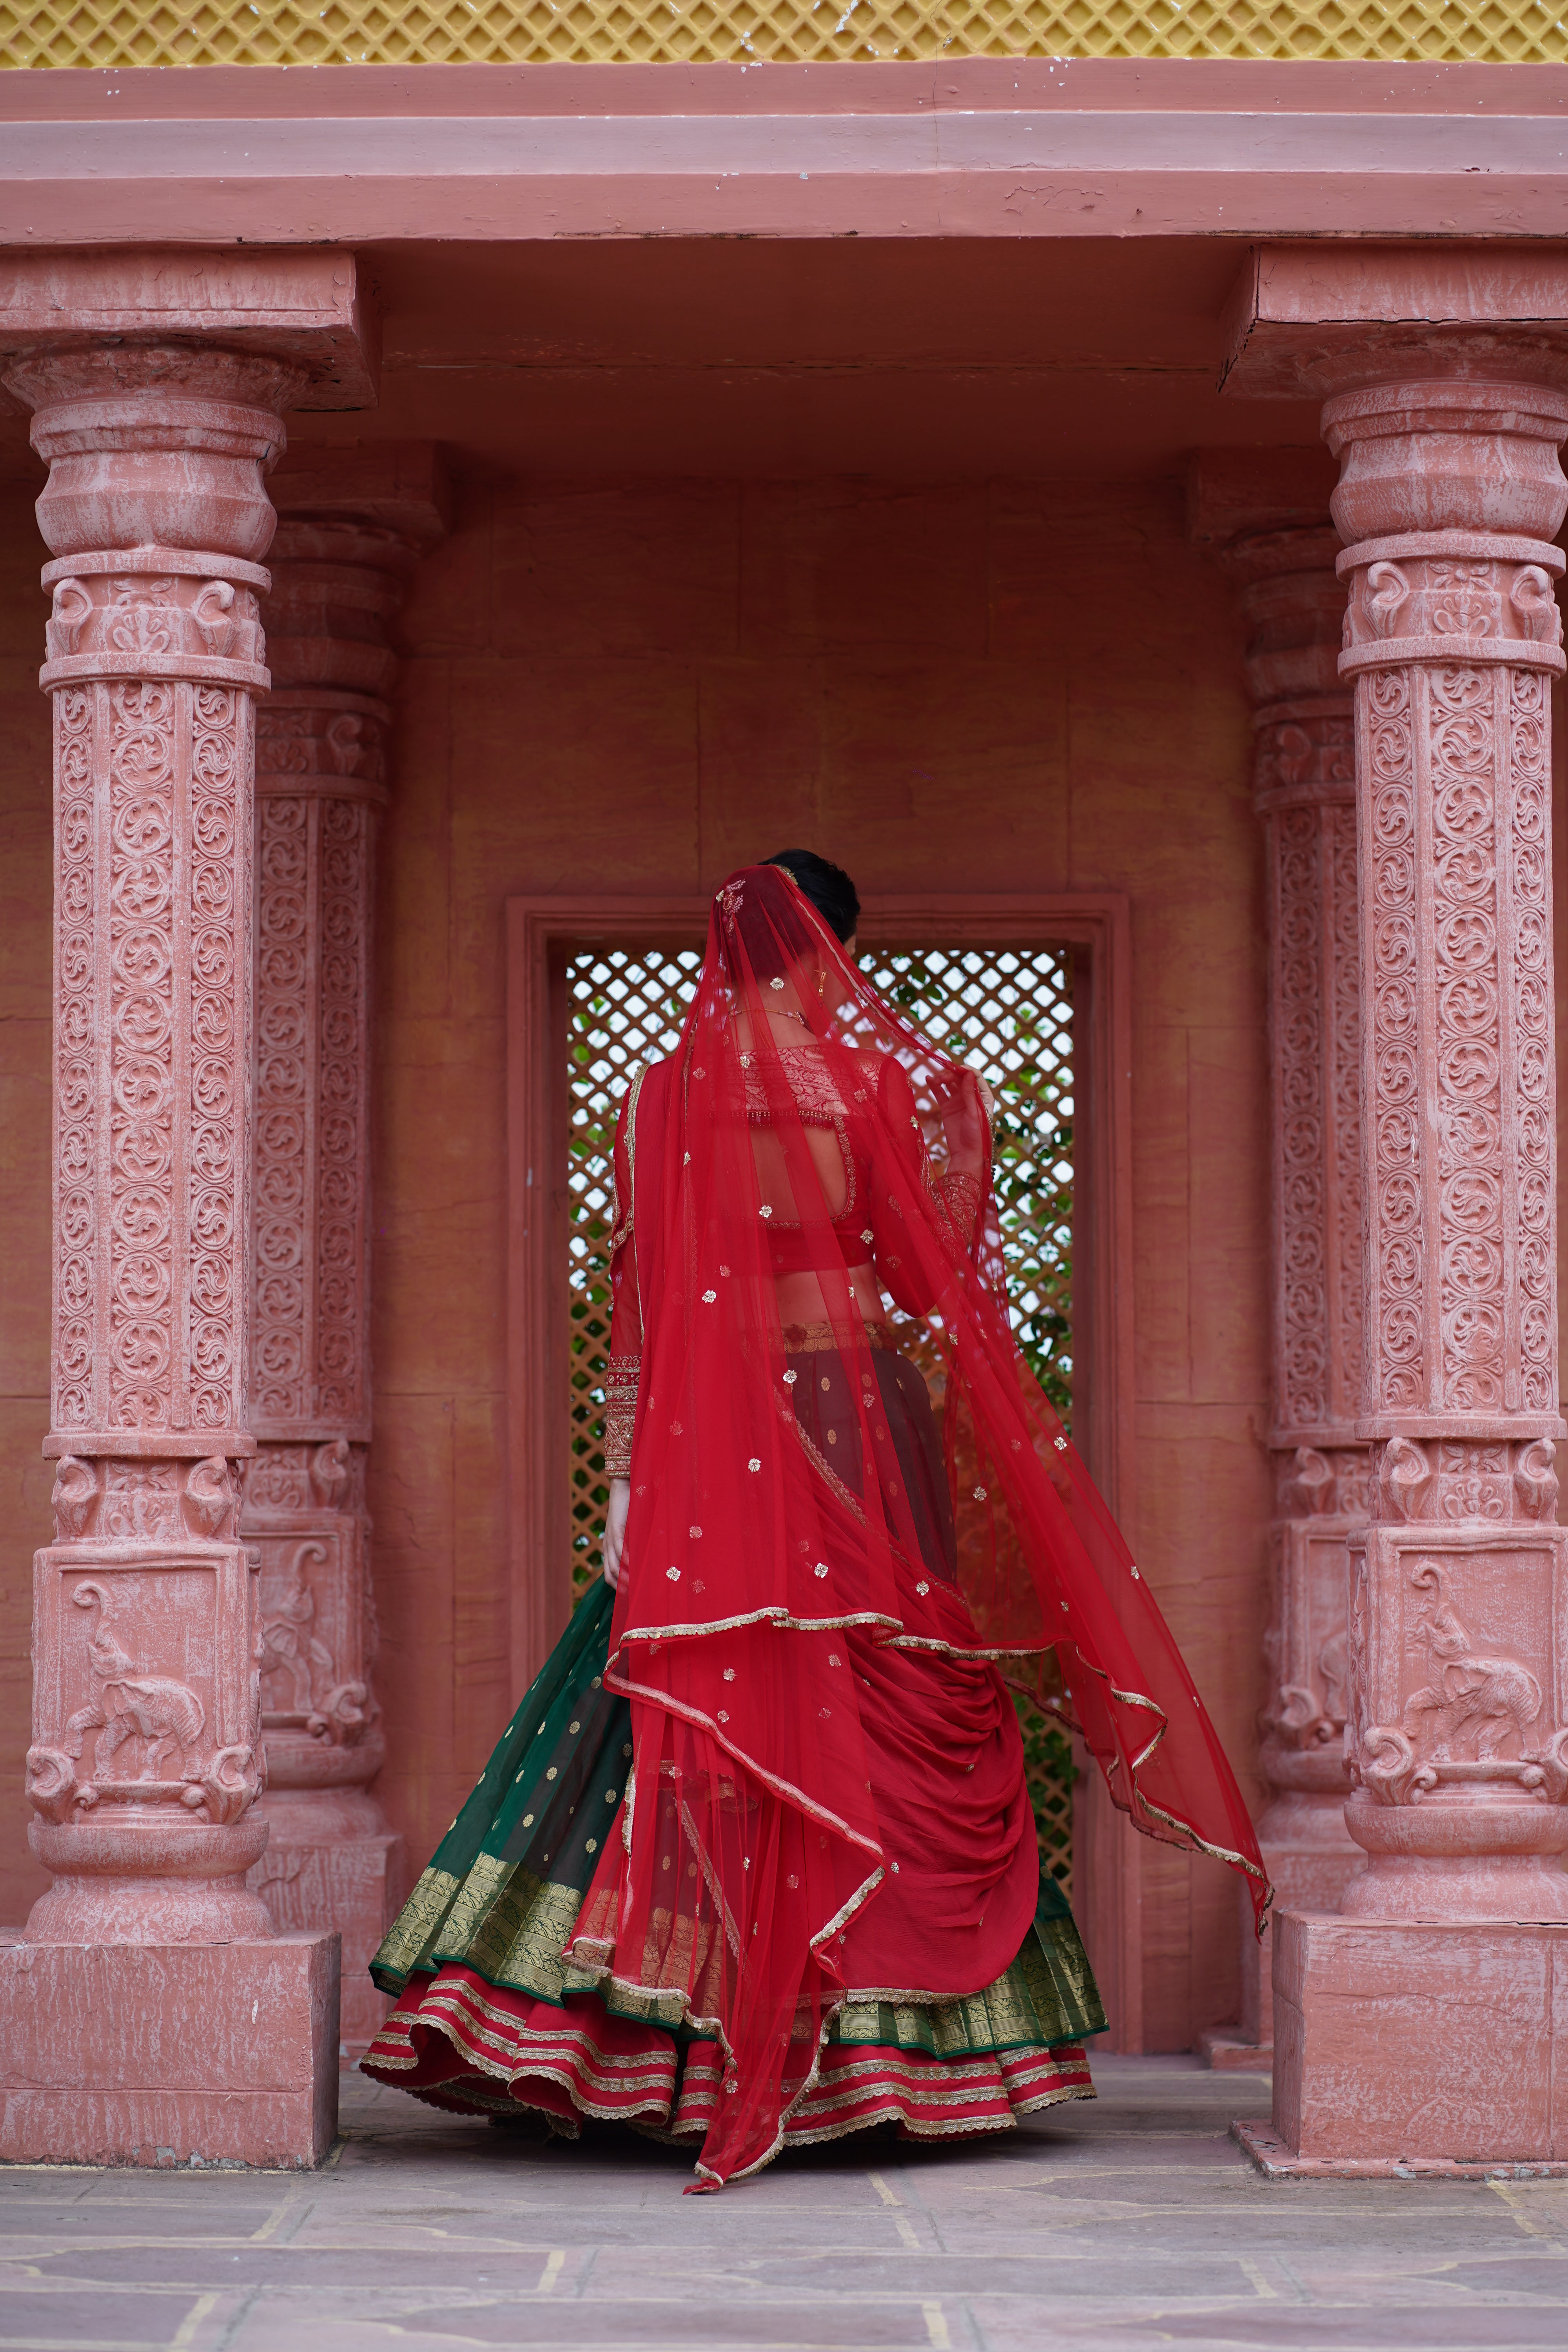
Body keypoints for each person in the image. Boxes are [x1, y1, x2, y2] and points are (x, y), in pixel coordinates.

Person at [363, 853, 1268, 2190]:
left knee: (698, 1701)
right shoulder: (874, 1088)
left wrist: (623, 1486)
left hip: (704, 1440)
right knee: (878, 1687)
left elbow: (641, 1317)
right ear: (838, 949)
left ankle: (649, 2052)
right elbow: (921, 1276)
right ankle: (890, 2062)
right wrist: (959, 1150)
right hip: (853, 1427)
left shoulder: (657, 1098)